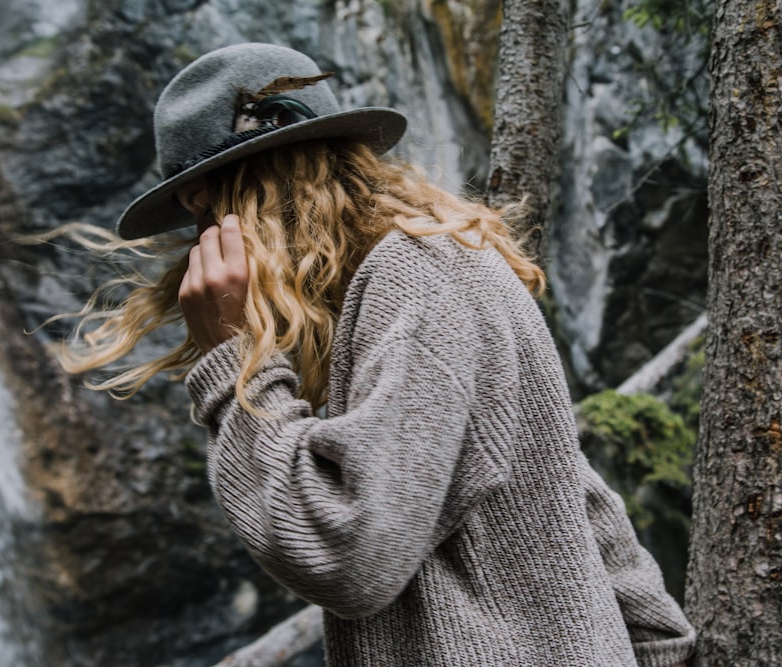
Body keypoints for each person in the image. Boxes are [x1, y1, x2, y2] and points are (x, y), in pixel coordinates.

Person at [61, 42, 695, 666]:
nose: (202, 237)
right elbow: (572, 496)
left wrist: (232, 359)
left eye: (203, 205)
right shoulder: (425, 268)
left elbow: (347, 555)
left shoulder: (412, 276)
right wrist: (660, 649)